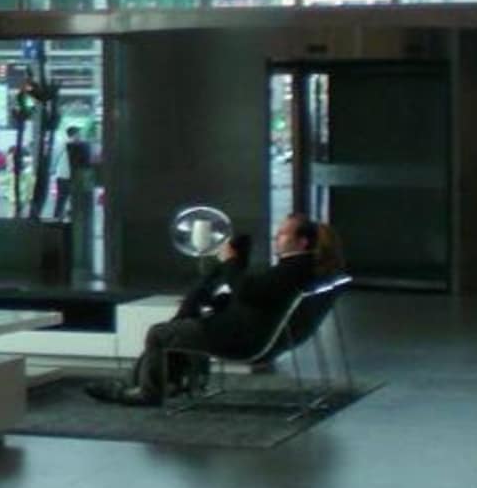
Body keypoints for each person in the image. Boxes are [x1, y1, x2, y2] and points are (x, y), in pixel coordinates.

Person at [91, 214, 320, 406]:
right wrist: (223, 298)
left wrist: (231, 262)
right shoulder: (299, 268)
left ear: (302, 242)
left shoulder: (293, 269)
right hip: (242, 330)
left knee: (159, 333)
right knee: (180, 326)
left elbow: (247, 291)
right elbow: (259, 295)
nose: (276, 238)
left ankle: (147, 393)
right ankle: (157, 383)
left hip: (239, 338)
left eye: (283, 234)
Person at [50, 126, 91, 220]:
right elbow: (56, 157)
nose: (80, 135)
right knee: (63, 198)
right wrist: (52, 169)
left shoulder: (79, 145)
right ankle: (58, 217)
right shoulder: (65, 144)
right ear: (74, 135)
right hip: (64, 176)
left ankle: (61, 217)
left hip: (69, 176)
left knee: (65, 199)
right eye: (78, 134)